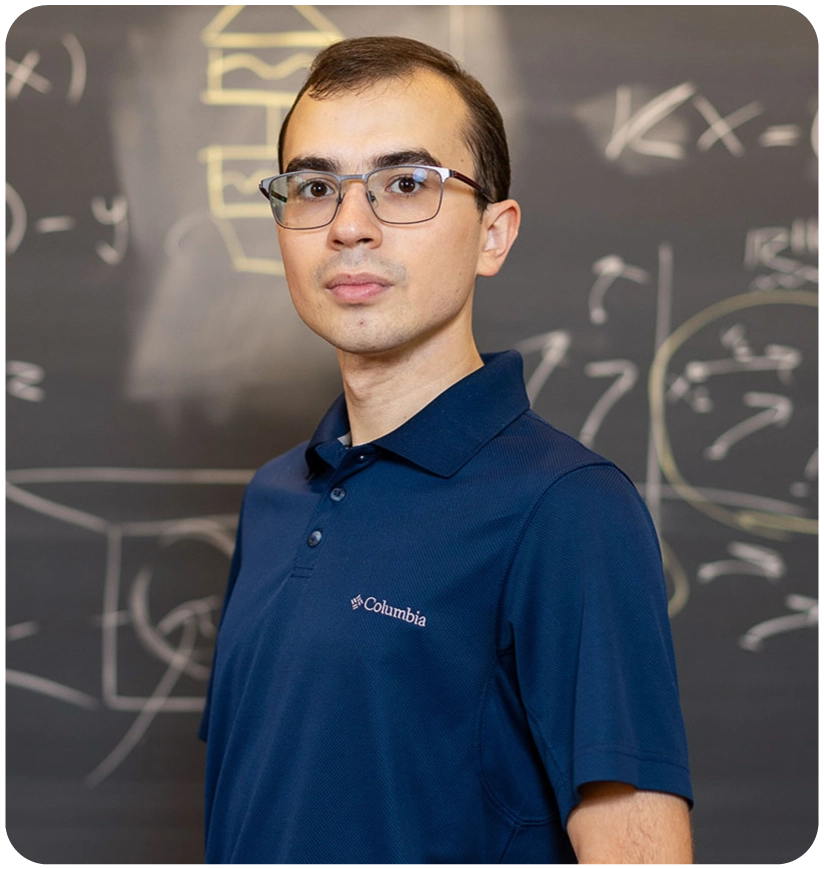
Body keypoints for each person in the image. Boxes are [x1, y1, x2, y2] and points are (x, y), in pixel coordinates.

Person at [199, 35, 694, 867]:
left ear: (494, 234)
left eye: (403, 184)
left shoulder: (567, 508)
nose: (349, 227)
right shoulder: (274, 496)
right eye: (315, 187)